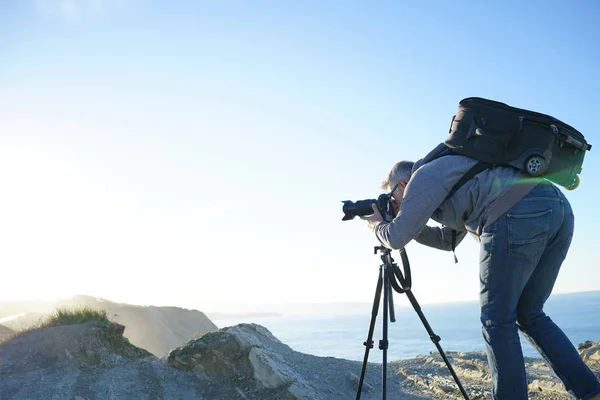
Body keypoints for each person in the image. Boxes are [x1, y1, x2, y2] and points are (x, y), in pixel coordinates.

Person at [360, 153, 600, 400]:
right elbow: (447, 240)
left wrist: (377, 225)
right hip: (557, 208)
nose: (395, 203)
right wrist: (407, 224)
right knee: (530, 313)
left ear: (401, 185)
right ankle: (590, 393)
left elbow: (395, 238)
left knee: (497, 319)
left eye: (392, 197)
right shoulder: (449, 175)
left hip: (515, 213)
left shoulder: (422, 178)